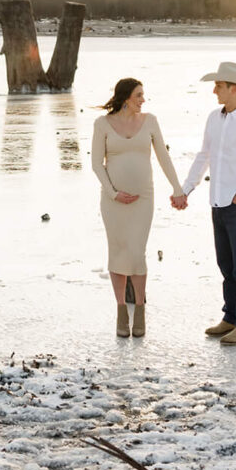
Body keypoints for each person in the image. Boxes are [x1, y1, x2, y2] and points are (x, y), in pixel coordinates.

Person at [174, 61, 236, 345]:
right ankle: (230, 318)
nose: (214, 90)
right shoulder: (213, 118)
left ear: (233, 88)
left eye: (218, 85)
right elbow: (203, 156)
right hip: (216, 203)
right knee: (226, 265)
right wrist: (186, 189)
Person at [90, 77, 186, 337]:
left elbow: (163, 157)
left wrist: (177, 188)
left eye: (143, 95)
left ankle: (140, 308)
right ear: (125, 98)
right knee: (117, 251)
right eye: (139, 95)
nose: (143, 100)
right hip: (113, 201)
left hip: (143, 198)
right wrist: (113, 193)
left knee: (136, 252)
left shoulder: (151, 121)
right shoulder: (102, 124)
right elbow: (97, 164)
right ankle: (122, 311)